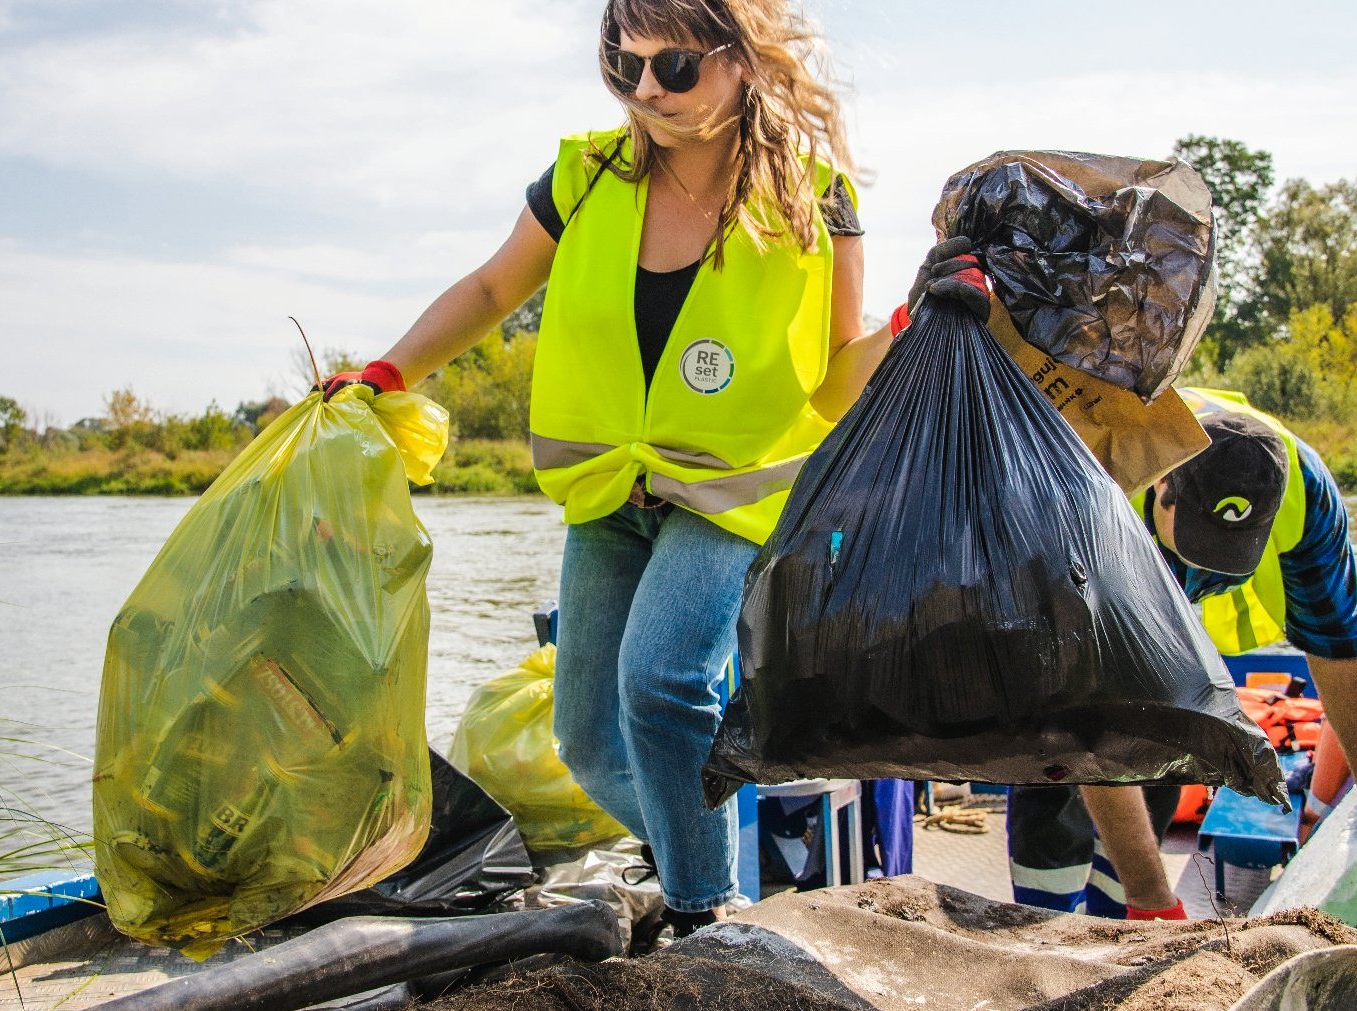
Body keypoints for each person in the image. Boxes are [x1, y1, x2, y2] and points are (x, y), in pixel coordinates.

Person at [317, 0, 978, 936]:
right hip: (606, 491)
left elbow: (837, 378)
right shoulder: (584, 176)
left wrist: (915, 321)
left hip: (732, 489)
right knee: (587, 740)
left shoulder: (814, 196)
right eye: (622, 67)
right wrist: (386, 372)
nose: (645, 92)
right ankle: (705, 865)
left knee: (661, 683)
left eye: (673, 68)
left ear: (742, 60)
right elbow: (494, 287)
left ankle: (711, 917)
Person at [1006, 389, 1357, 919]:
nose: (1218, 568)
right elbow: (1088, 714)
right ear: (1163, 487)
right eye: (1201, 542)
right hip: (1057, 627)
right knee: (1054, 779)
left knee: (1159, 753)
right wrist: (1152, 897)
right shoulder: (1090, 499)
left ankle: (1115, 917)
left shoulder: (1305, 491)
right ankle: (1045, 922)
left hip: (1163, 606)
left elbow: (1340, 640)